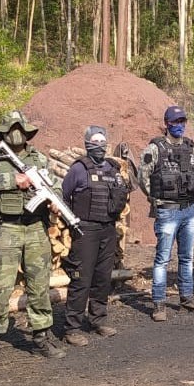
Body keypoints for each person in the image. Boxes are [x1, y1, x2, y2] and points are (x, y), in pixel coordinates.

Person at [0, 111, 66, 371]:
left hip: (36, 228)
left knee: (39, 285)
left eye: (20, 128)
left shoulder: (38, 159)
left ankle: (41, 335)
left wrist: (55, 203)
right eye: (12, 128)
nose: (16, 133)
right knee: (0, 287)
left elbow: (54, 185)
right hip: (6, 228)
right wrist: (12, 179)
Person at [61, 126, 133, 346]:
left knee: (102, 277)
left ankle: (98, 319)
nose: (100, 146)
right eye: (95, 142)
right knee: (81, 279)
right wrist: (72, 224)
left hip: (108, 229)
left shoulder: (113, 169)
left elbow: (128, 190)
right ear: (87, 144)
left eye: (103, 142)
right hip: (85, 229)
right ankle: (72, 327)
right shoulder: (78, 169)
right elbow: (63, 197)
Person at [140, 107, 194, 321]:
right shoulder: (155, 148)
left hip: (189, 210)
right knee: (162, 259)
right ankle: (159, 303)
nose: (180, 124)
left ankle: (186, 297)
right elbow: (144, 178)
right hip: (167, 211)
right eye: (175, 121)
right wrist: (157, 199)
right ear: (167, 123)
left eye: (183, 120)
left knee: (186, 257)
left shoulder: (191, 148)